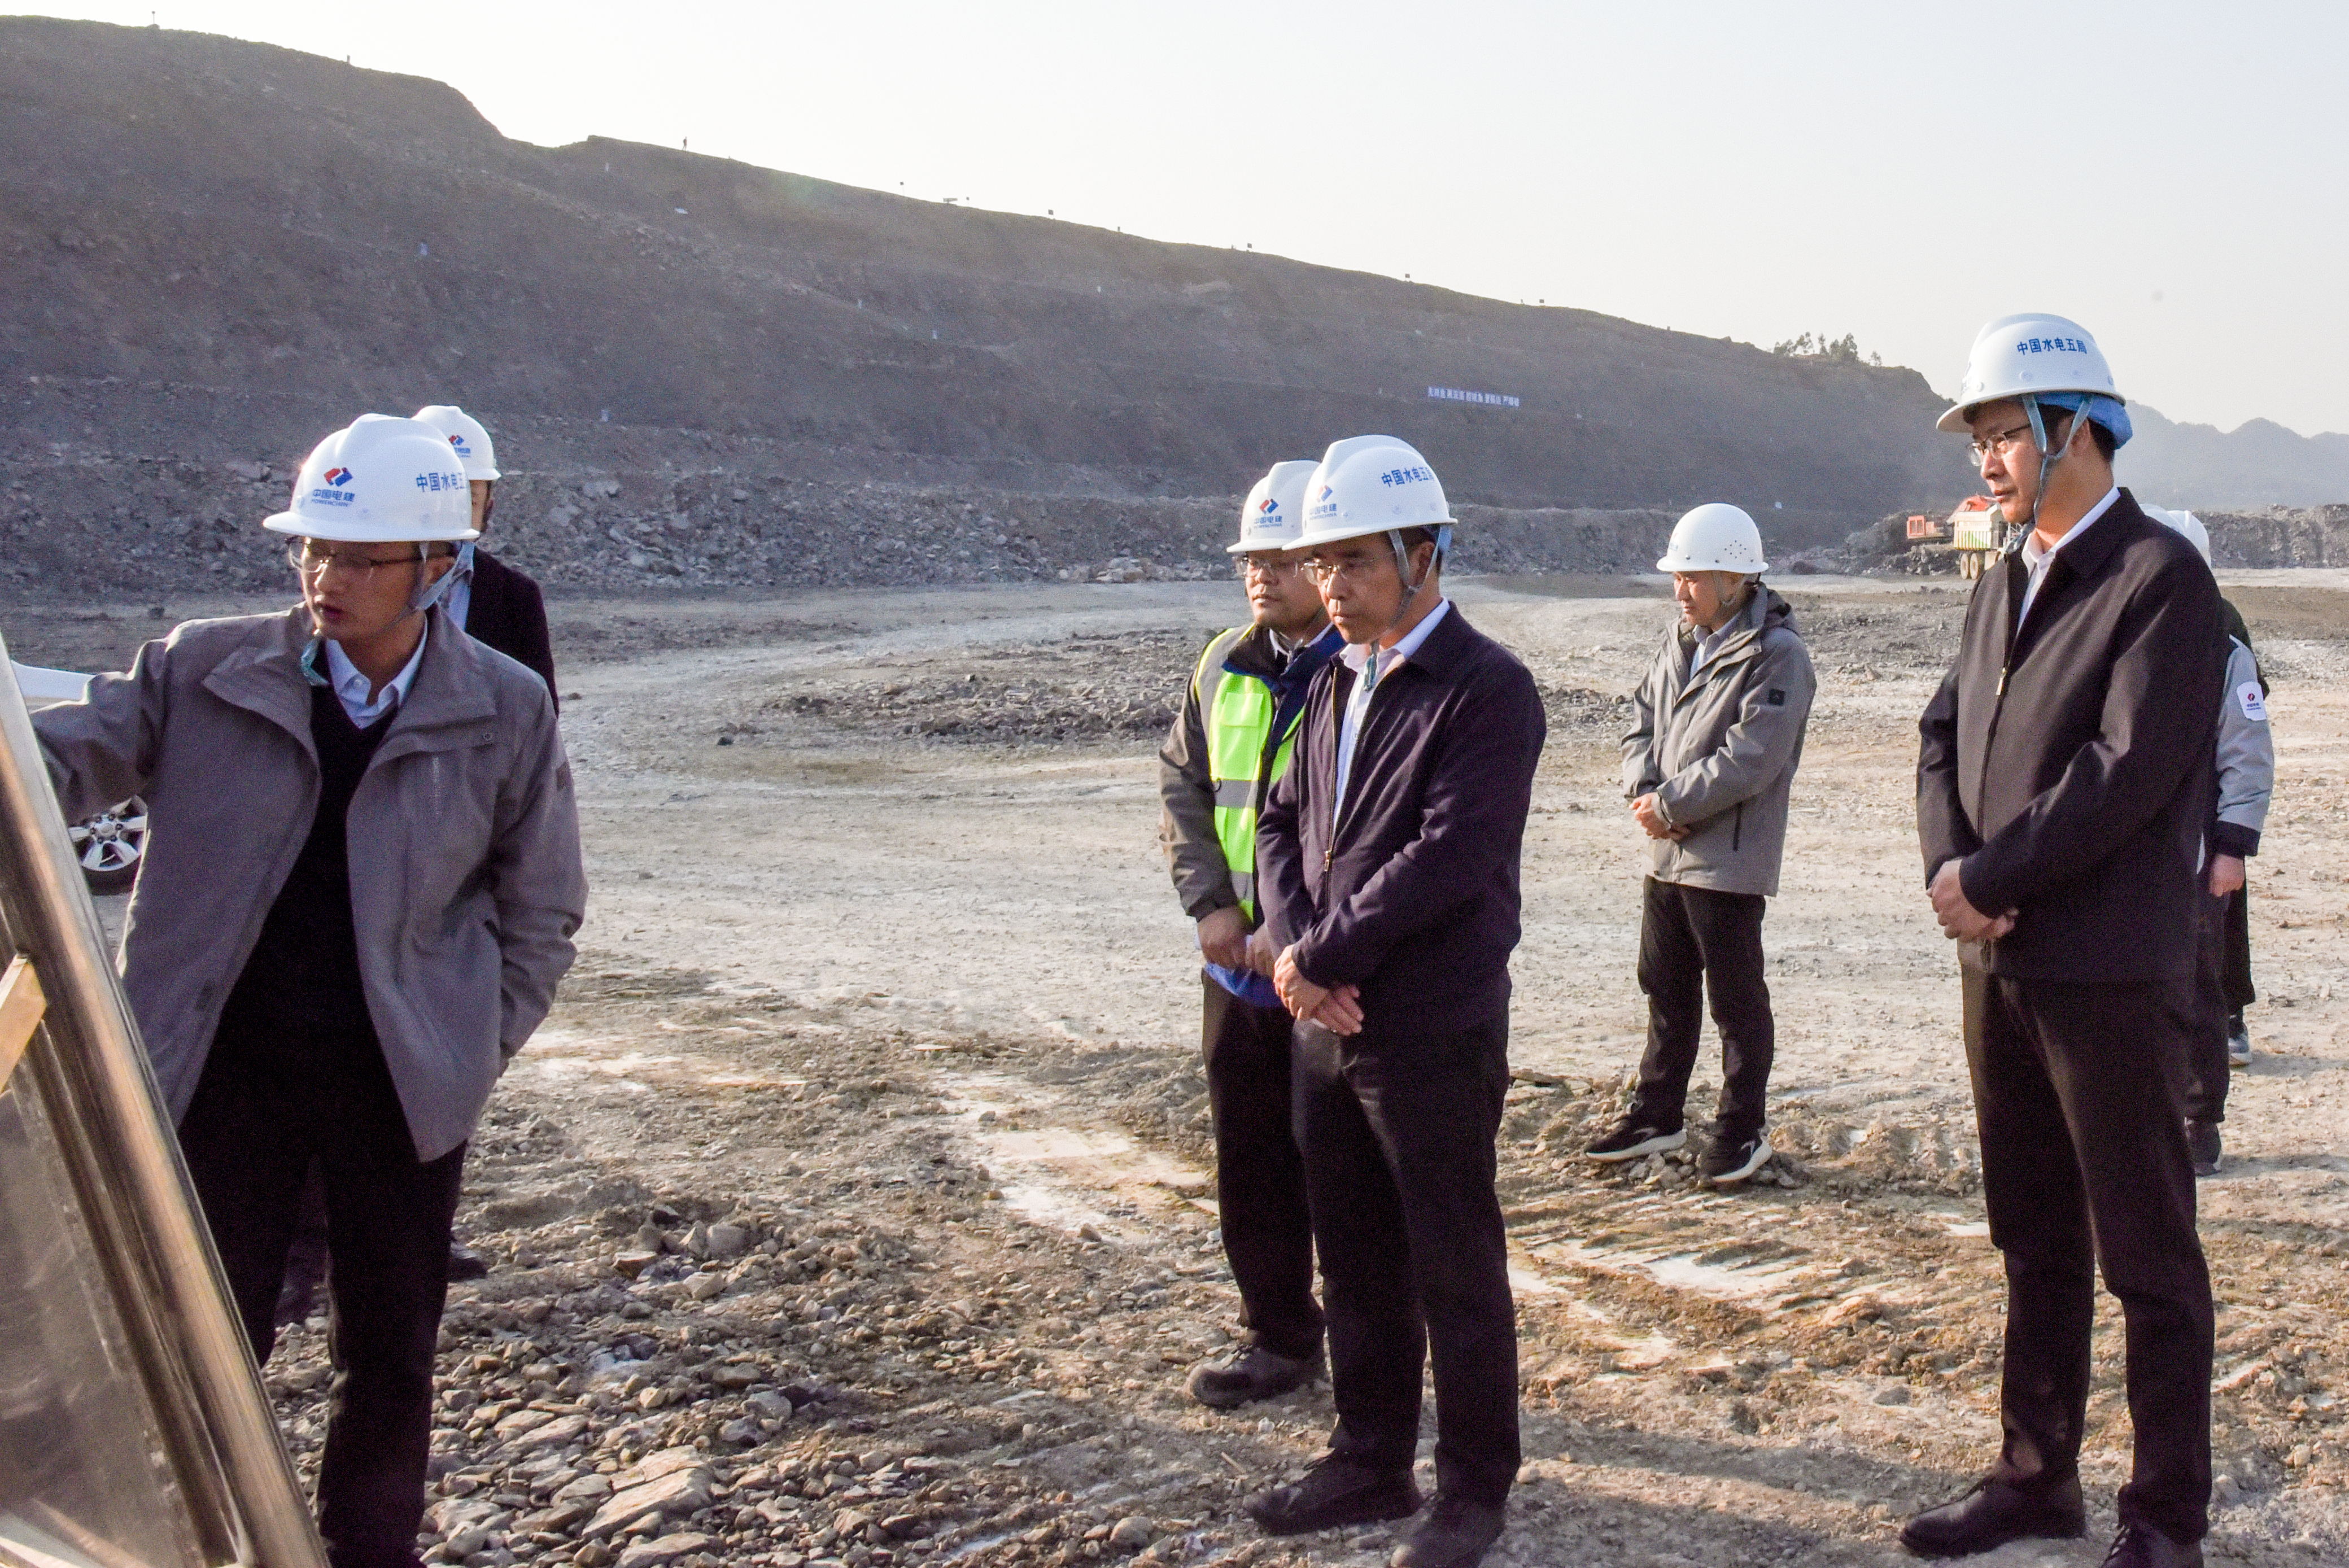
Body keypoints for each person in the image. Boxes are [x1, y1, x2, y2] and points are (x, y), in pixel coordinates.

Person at [35, 413, 587, 1568]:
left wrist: (468, 1047)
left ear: (436, 566)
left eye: (360, 557)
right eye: (313, 549)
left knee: (389, 1344)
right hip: (226, 1074)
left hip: (399, 1085)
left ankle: (369, 1545)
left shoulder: (503, 707)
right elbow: (55, 762)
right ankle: (211, 1537)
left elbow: (542, 906)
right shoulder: (201, 668)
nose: (326, 577)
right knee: (209, 1330)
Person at [1911, 316, 2221, 1568]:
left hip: (2108, 971)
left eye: (2002, 434)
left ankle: (2166, 1517)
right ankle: (2036, 1476)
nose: (1986, 458)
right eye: (1979, 439)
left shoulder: (2160, 579)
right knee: (2033, 1233)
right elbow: (1941, 731)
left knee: (2146, 1252)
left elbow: (2124, 771)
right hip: (1999, 964)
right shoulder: (2004, 579)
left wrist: (1993, 876)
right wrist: (1951, 871)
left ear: (2074, 429)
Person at [1250, 435, 1545, 1568]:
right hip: (1327, 1019)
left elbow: (1450, 855)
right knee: (1354, 1249)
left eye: (1356, 561)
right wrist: (1297, 951)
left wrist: (1321, 955)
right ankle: (1370, 1455)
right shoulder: (1331, 677)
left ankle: (1473, 1487)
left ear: (1425, 554)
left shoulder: (1486, 688)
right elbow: (1279, 822)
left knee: (1451, 1260)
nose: (1332, 584)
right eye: (1321, 562)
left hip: (1427, 1023)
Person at [1159, 459, 1346, 1408]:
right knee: (1253, 1163)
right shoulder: (1221, 666)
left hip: (1326, 972)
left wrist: (1295, 933)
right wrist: (1210, 906)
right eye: (1250, 561)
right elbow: (1184, 787)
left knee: (1343, 1173)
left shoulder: (1362, 671)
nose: (1260, 576)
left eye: (1278, 559)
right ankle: (1279, 1334)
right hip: (1238, 973)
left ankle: (1372, 1354)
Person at [1597, 503, 1815, 1185]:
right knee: (1663, 986)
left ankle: (1741, 1127)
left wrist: (1668, 804)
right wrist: (1644, 791)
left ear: (1734, 578)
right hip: (1667, 853)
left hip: (1726, 861)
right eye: (1677, 576)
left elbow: (1752, 757)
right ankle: (1657, 1113)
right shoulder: (1679, 640)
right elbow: (1639, 721)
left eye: (1692, 577)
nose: (1680, 590)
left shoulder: (1777, 655)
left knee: (1734, 1000)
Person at [2142, 507, 2271, 1177]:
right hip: (2125, 855)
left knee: (2195, 987)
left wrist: (2231, 846)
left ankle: (2197, 1120)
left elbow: (2246, 754)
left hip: (2193, 856)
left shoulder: (2224, 652)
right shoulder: (2119, 639)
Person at [411, 405, 558, 705]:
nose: (448, 516)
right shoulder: (360, 580)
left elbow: (539, 715)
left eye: (466, 500)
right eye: (434, 497)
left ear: (489, 504)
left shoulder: (516, 598)